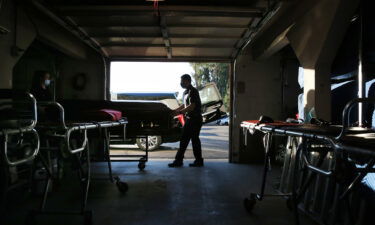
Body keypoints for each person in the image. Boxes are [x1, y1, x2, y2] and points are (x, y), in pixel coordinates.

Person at [168, 74, 204, 167]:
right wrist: (175, 111)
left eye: (182, 81)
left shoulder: (193, 91)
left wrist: (179, 112)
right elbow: (184, 105)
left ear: (188, 81)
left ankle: (197, 161)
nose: (181, 83)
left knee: (194, 140)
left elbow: (192, 106)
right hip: (189, 119)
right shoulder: (185, 93)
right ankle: (181, 161)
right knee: (184, 140)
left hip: (195, 119)